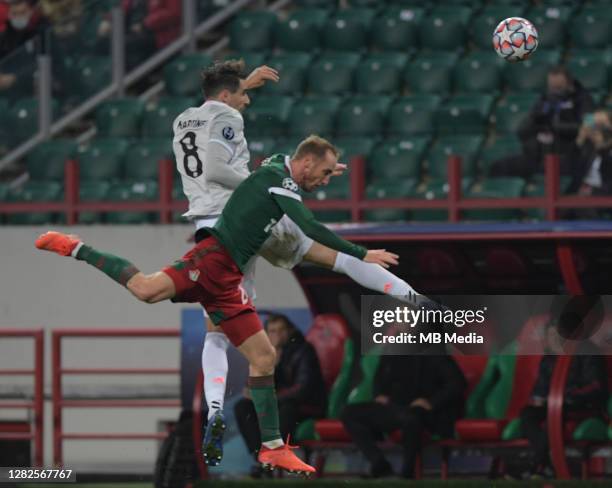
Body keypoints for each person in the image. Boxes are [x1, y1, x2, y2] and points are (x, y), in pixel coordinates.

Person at [35, 135, 399, 475]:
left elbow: (297, 161)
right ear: (304, 164)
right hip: (209, 260)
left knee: (265, 357)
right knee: (145, 289)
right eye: (322, 174)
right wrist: (362, 252)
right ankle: (75, 247)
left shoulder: (279, 165)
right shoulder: (278, 180)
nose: (324, 181)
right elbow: (309, 225)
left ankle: (271, 446)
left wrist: (326, 165)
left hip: (229, 280)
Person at [175, 59, 427, 466]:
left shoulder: (184, 120)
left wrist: (243, 85)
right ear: (226, 97)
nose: (248, 100)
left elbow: (212, 122)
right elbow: (222, 166)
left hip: (209, 229)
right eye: (243, 94)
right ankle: (418, 301)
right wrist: (270, 184)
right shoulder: (231, 122)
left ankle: (217, 408)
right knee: (333, 256)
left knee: (216, 329)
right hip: (243, 214)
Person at [508, 323, 608, 480]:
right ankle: (544, 465)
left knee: (553, 417)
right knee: (527, 414)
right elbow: (540, 389)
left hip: (581, 406)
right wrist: (540, 399)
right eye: (550, 337)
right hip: (553, 406)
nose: (554, 340)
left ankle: (536, 465)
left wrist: (566, 397)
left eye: (558, 336)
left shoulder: (587, 352)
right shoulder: (549, 359)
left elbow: (595, 386)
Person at [341, 355, 466, 479]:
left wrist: (431, 402)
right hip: (394, 409)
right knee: (349, 413)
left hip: (424, 412)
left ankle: (407, 473)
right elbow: (379, 379)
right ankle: (379, 463)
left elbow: (457, 383)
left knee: (413, 417)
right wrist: (379, 395)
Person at [234, 314, 326, 477]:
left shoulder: (304, 350)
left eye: (281, 330)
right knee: (243, 407)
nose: (277, 335)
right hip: (277, 403)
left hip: (304, 406)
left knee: (286, 409)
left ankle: (269, 461)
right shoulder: (266, 353)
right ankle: (263, 461)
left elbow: (303, 390)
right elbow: (251, 388)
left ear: (289, 331)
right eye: (272, 331)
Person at [490, 66, 594, 179]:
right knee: (500, 167)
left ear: (569, 84)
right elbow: (521, 131)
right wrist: (535, 118)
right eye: (552, 88)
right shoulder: (545, 99)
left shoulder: (582, 99)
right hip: (536, 155)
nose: (555, 92)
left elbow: (585, 128)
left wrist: (556, 127)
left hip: (564, 155)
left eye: (559, 88)